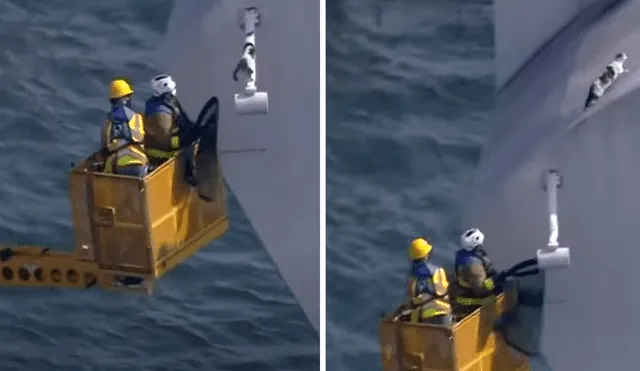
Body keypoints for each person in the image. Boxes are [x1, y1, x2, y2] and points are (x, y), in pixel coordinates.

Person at [144, 74, 220, 189]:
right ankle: (190, 175)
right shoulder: (160, 112)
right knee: (187, 146)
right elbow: (165, 139)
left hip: (168, 141)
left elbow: (183, 120)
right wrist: (181, 140)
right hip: (166, 149)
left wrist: (194, 130)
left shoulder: (166, 102)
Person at [100, 79, 148, 177]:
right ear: (125, 99)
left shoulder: (109, 120)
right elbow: (140, 138)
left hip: (119, 164)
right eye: (128, 96)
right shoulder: (136, 117)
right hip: (139, 163)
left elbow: (106, 145)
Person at [451, 228, 500, 315]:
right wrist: (494, 283)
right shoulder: (475, 266)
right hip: (469, 299)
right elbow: (480, 288)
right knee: (495, 296)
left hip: (461, 291)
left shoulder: (463, 256)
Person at [406, 238, 453, 326]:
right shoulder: (437, 271)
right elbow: (442, 291)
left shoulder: (411, 276)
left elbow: (411, 297)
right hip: (439, 311)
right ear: (426, 254)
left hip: (420, 316)